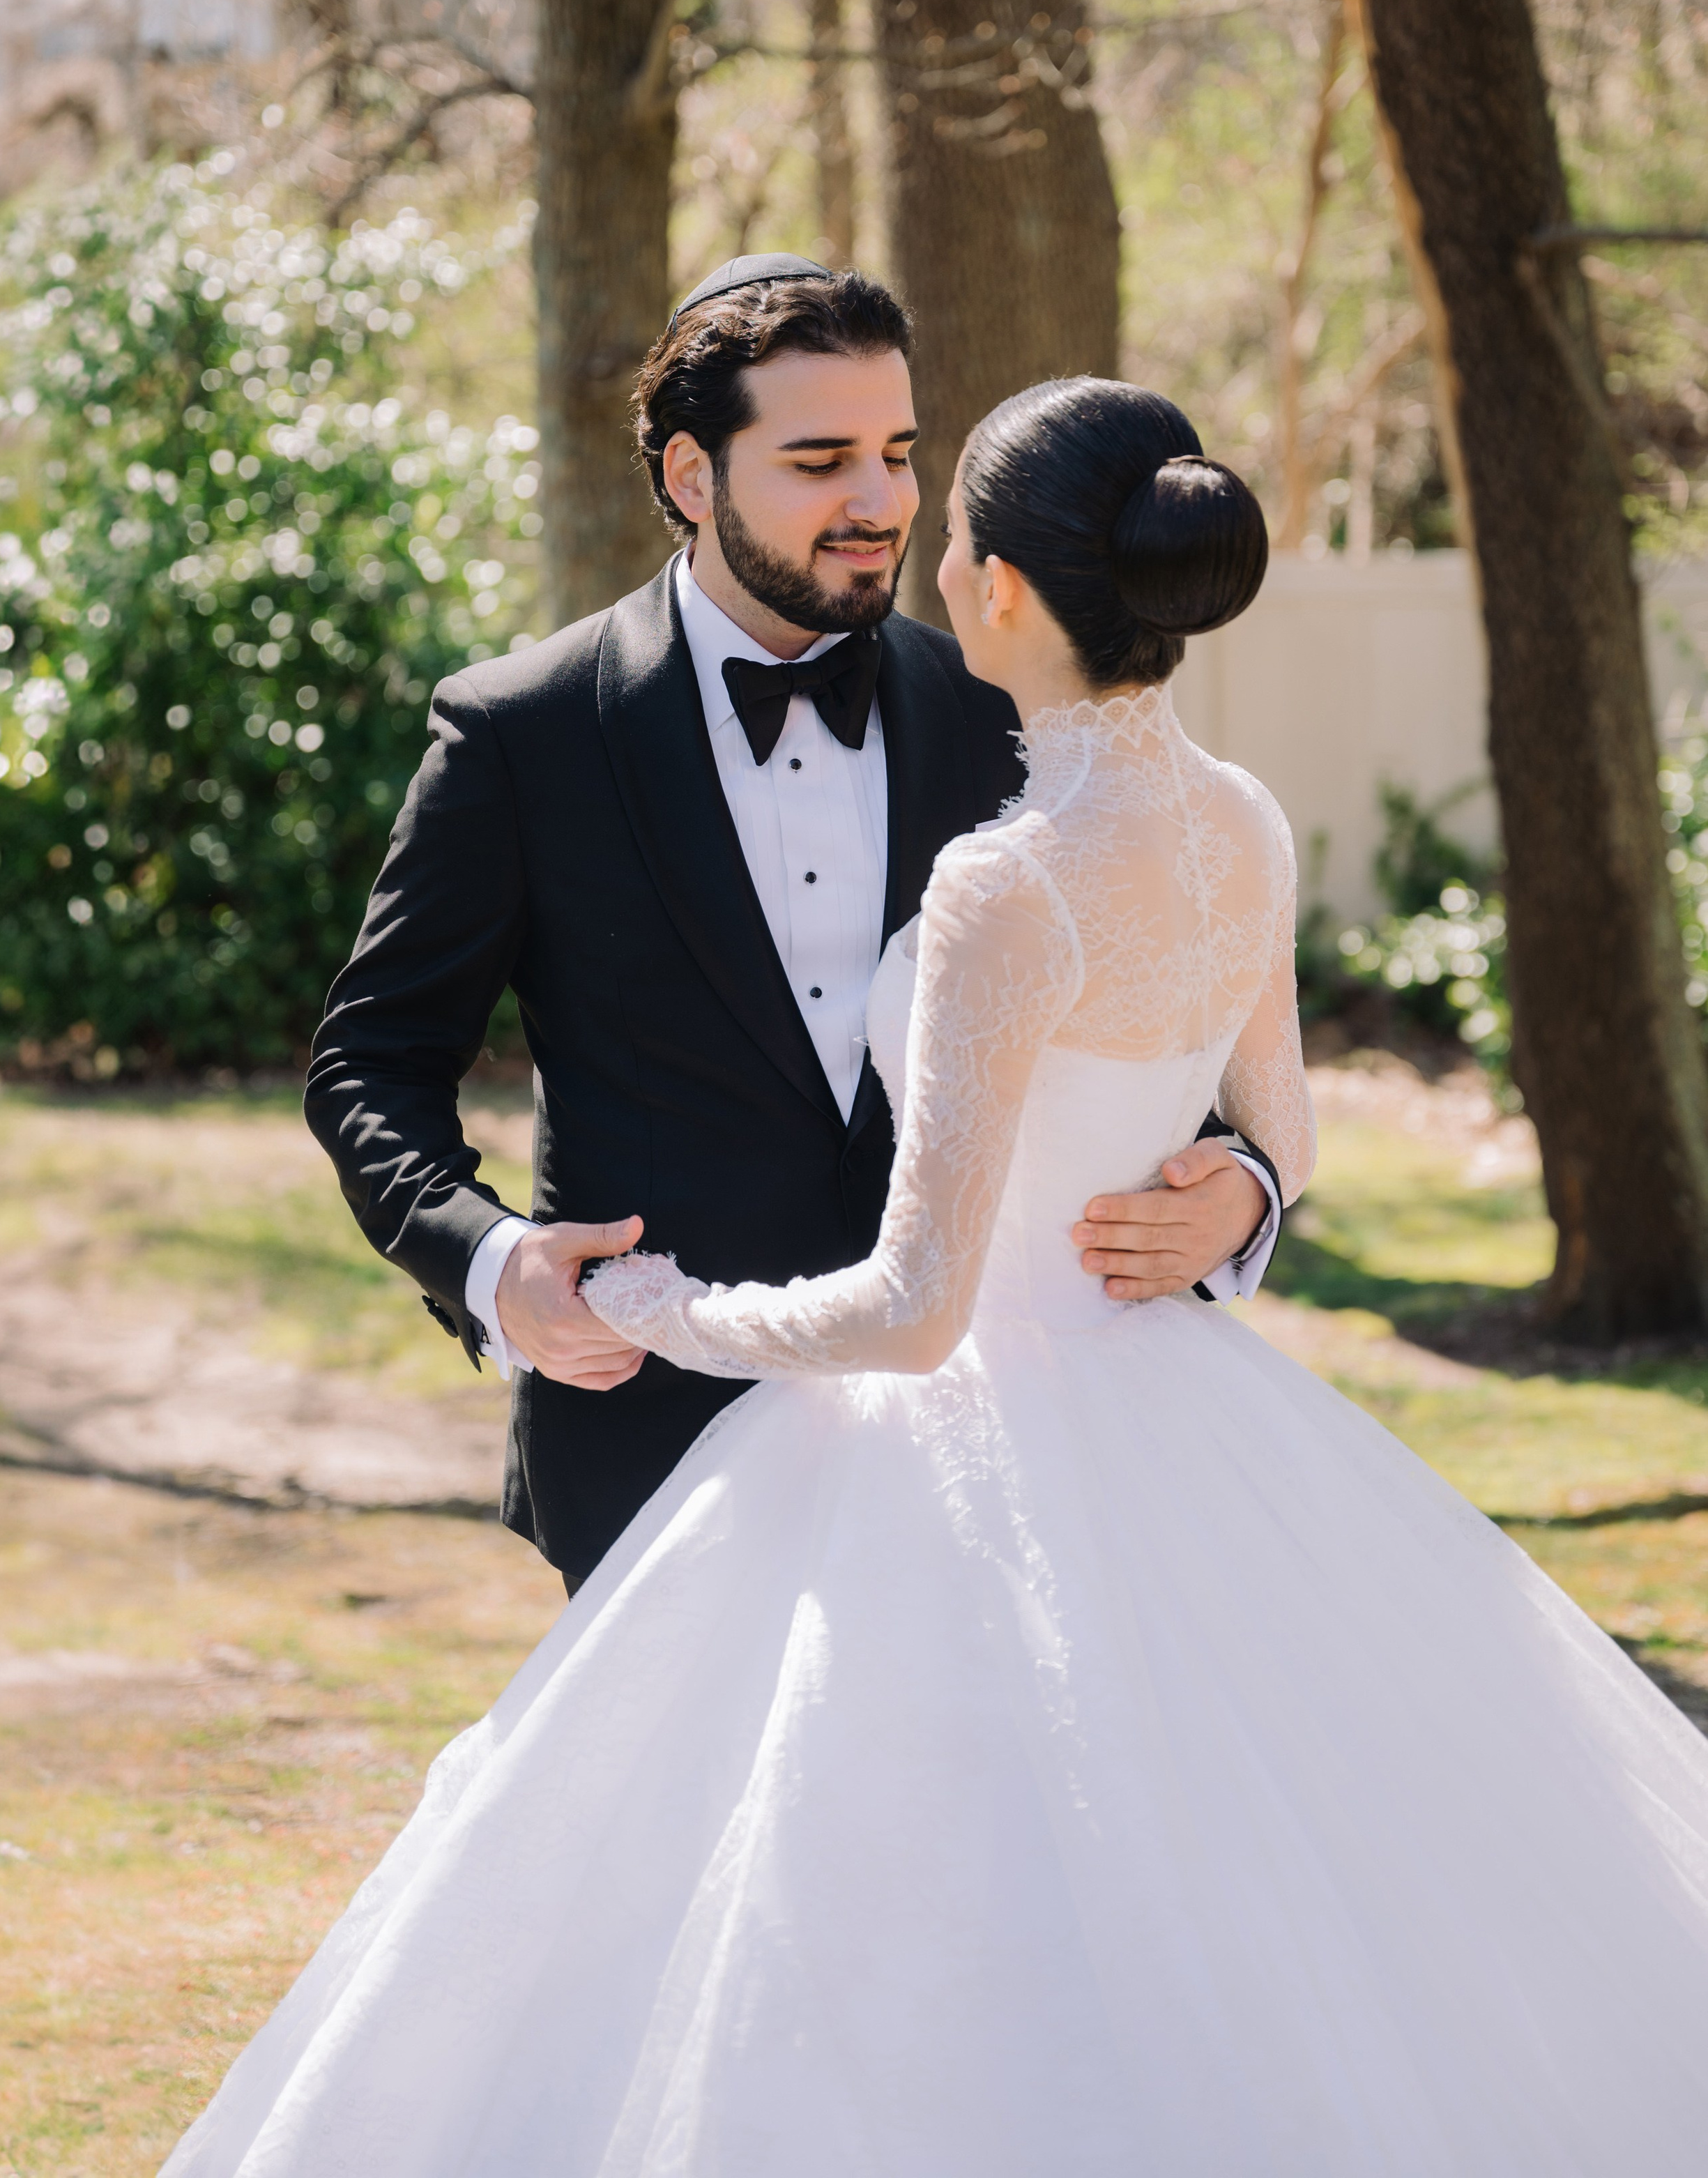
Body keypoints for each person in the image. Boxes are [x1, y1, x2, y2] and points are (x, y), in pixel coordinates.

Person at [168, 377, 1708, 2177]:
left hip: (941, 1437)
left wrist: (670, 1309)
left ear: (995, 590)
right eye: (836, 463)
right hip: (1170, 1438)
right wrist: (1254, 1178)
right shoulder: (1251, 824)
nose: (904, 524)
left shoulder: (1003, 876)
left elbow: (924, 1305)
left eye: (924, 485)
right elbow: (1279, 1113)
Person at [303, 257, 1279, 1592]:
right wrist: (494, 1262)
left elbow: (1139, 993)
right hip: (653, 1424)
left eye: (897, 453)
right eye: (821, 460)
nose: (878, 503)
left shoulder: (1010, 710)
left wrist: (1242, 1188)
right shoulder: (522, 732)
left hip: (986, 1443)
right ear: (695, 478)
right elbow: (371, 1061)